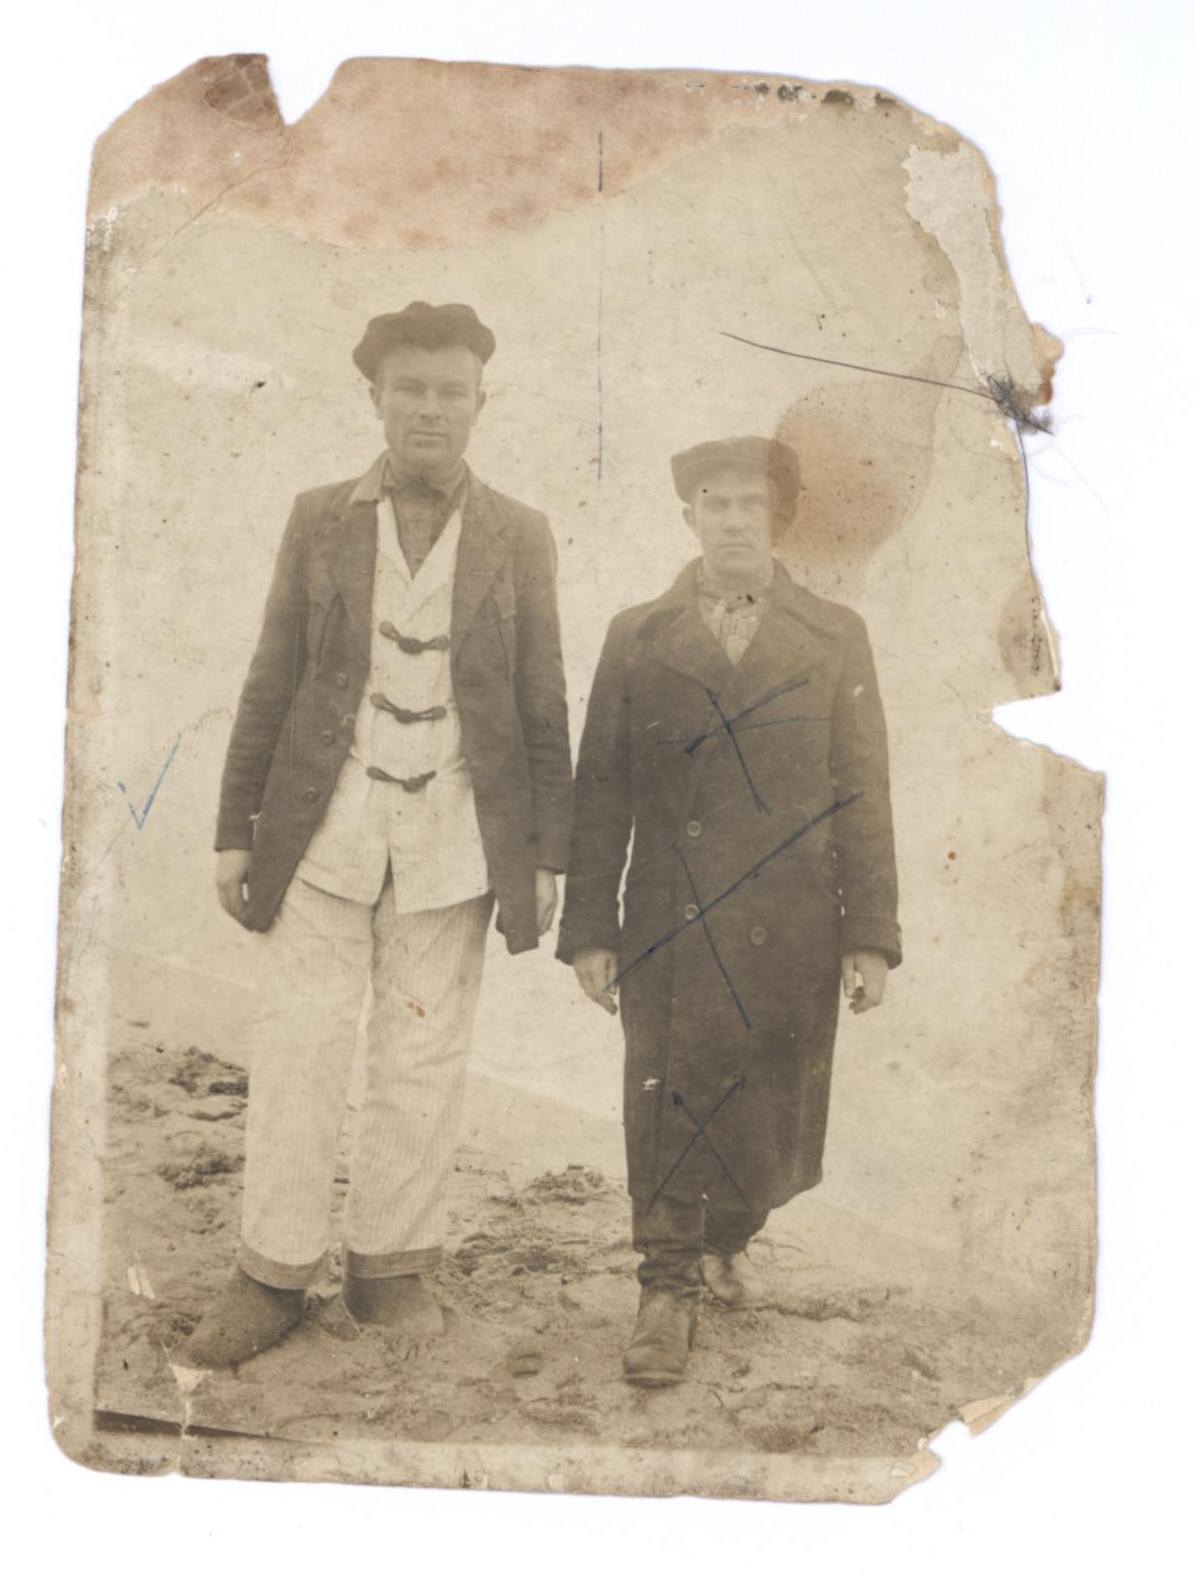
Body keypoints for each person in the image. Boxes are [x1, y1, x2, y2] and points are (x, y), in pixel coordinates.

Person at [187, 301, 572, 1367]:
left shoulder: (521, 533)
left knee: (424, 1050)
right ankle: (271, 1273)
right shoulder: (318, 518)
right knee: (300, 1042)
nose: (430, 409)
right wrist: (235, 831)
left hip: (457, 837)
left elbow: (543, 699)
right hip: (323, 831)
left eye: (452, 391)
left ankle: (389, 1269)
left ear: (482, 402)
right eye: (411, 389)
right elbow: (269, 677)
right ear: (376, 398)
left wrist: (546, 854)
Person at [556, 436, 900, 1388]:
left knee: (768, 1120)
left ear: (779, 518)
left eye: (752, 504)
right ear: (690, 517)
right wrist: (590, 929)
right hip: (670, 919)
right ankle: (665, 1290)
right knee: (667, 1101)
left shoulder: (835, 634)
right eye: (717, 503)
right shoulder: (638, 635)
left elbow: (862, 792)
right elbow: (601, 791)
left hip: (793, 924)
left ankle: (728, 1235)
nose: (736, 520)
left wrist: (871, 936)